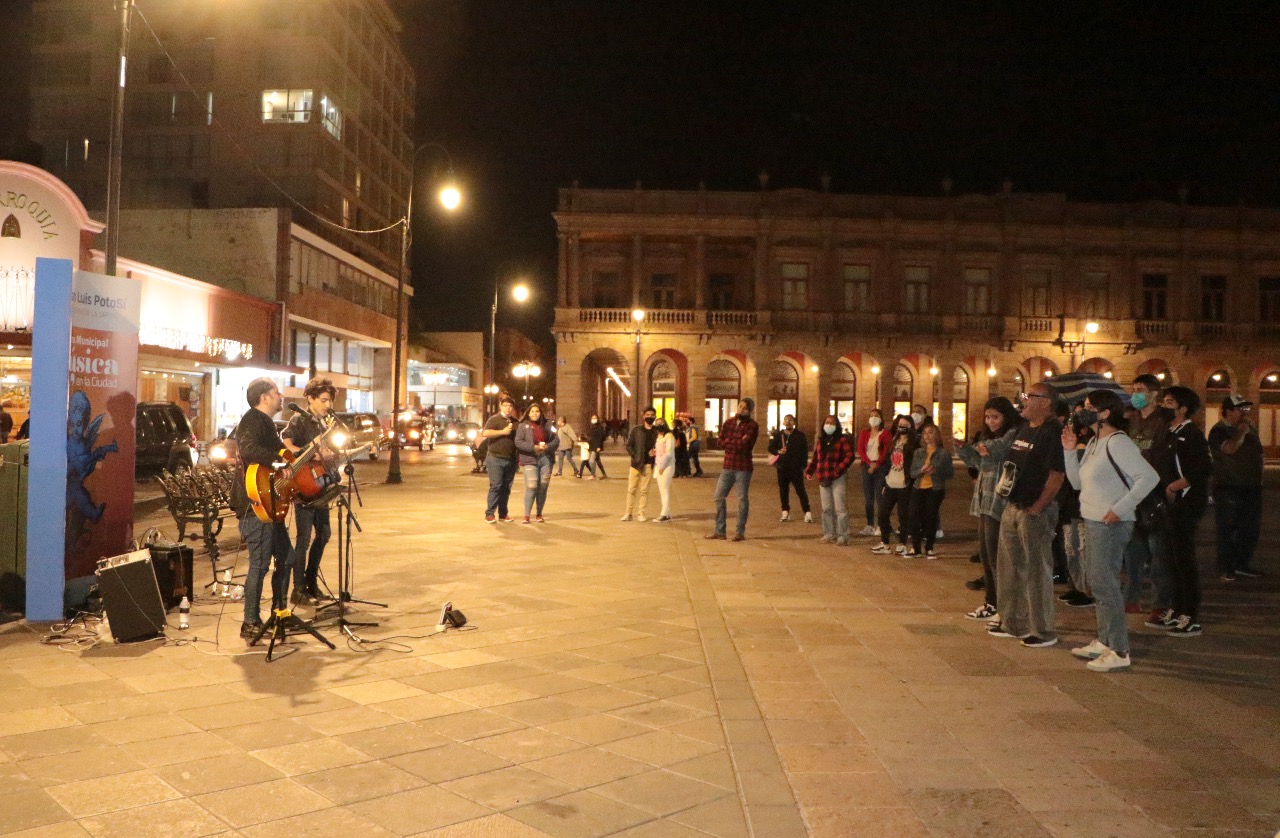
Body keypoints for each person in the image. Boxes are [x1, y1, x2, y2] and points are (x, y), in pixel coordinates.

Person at [1062, 389, 1160, 672]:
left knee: (1105, 585)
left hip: (1111, 524)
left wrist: (1120, 507)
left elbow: (1149, 477)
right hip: (1093, 520)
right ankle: (1105, 640)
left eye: (1091, 406)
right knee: (1098, 583)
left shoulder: (1118, 442)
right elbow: (1078, 482)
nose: (1083, 410)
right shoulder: (1095, 441)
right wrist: (1070, 451)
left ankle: (1119, 649)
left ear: (1105, 413)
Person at [987, 381, 1065, 648]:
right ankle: (1013, 622)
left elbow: (1056, 475)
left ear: (1045, 401)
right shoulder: (1023, 428)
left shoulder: (1052, 432)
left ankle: (1043, 629)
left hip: (1034, 509)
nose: (1023, 400)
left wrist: (1038, 507)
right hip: (1013, 505)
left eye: (1029, 396)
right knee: (1009, 567)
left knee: (1036, 570)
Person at [230, 378, 293, 639]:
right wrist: (278, 460)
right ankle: (250, 621)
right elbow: (249, 448)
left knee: (287, 558)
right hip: (254, 506)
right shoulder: (253, 419)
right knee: (259, 563)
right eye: (277, 393)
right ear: (265, 397)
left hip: (270, 503)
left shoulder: (266, 423)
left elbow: (282, 455)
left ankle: (279, 613)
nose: (281, 397)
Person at [1148, 386, 1212, 636]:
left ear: (1183, 409)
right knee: (1170, 559)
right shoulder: (1169, 432)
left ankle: (1190, 613)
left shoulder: (1191, 434)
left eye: (1170, 402)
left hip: (1185, 504)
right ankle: (1175, 608)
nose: (1164, 406)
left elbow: (1202, 468)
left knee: (1184, 560)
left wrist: (1176, 485)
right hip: (1168, 505)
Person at [956, 396, 1021, 620]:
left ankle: (1003, 605)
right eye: (987, 417)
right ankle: (991, 602)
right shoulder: (988, 437)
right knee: (985, 553)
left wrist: (977, 447)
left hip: (999, 501)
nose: (991, 421)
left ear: (1006, 416)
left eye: (996, 417)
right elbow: (979, 461)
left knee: (996, 555)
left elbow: (996, 449)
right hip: (985, 499)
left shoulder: (1012, 433)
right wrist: (966, 450)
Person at [282, 377, 336, 606]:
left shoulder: (324, 423)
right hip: (304, 486)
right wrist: (306, 455)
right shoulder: (299, 419)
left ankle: (311, 581)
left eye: (330, 401)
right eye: (323, 400)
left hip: (321, 485)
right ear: (311, 398)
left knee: (324, 534)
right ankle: (298, 589)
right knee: (303, 539)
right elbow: (286, 442)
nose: (327, 405)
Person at [1124, 373, 1173, 618]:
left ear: (1154, 394)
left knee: (1157, 552)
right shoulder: (1131, 419)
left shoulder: (1164, 420)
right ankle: (1131, 598)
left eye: (1140, 389)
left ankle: (1159, 603)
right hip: (1133, 492)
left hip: (1155, 492)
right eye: (1133, 388)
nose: (1135, 394)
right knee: (1133, 551)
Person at [1208, 394, 1264, 580]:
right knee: (1228, 530)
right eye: (1240, 409)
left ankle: (1241, 564)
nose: (1244, 413)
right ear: (1228, 411)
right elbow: (1229, 449)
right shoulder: (1219, 431)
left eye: (1245, 409)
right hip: (1229, 487)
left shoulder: (1248, 429)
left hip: (1251, 486)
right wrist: (1241, 432)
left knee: (1249, 530)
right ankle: (1226, 567)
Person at [707, 398, 759, 541]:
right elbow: (720, 441)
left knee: (742, 498)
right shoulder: (728, 422)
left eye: (745, 407)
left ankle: (739, 532)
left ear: (750, 410)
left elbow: (744, 445)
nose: (742, 409)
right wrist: (734, 441)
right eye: (740, 406)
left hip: (743, 467)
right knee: (718, 496)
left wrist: (729, 442)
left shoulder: (752, 425)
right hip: (728, 466)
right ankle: (720, 531)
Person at [806, 414, 855, 544]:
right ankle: (828, 533)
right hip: (823, 476)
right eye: (827, 422)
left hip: (838, 477)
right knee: (826, 508)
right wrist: (810, 471)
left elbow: (849, 456)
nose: (829, 425)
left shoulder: (842, 439)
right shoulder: (820, 440)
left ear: (837, 425)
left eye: (832, 423)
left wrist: (839, 468)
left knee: (840, 507)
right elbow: (816, 458)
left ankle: (842, 535)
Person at [871, 416, 918, 554]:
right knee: (882, 512)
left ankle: (902, 543)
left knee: (903, 515)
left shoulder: (914, 443)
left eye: (906, 424)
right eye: (900, 424)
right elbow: (887, 459)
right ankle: (884, 542)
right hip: (891, 482)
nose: (902, 426)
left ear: (911, 426)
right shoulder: (894, 441)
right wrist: (885, 476)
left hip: (905, 484)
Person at [907, 424, 954, 557]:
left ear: (937, 435)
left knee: (930, 517)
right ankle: (916, 548)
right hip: (918, 487)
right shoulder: (918, 452)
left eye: (930, 432)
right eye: (925, 433)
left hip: (935, 488)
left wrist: (935, 471)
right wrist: (921, 471)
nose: (927, 436)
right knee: (913, 516)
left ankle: (929, 547)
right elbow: (912, 473)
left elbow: (950, 474)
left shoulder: (943, 453)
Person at [515, 403, 559, 523]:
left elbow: (556, 439)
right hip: (529, 459)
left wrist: (548, 446)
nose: (535, 413)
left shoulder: (549, 424)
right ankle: (526, 515)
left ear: (541, 413)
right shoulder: (522, 426)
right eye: (532, 411)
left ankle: (539, 514)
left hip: (546, 459)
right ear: (528, 413)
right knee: (532, 486)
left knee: (543, 485)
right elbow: (518, 442)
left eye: (537, 411)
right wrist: (533, 448)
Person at [481, 397, 519, 523]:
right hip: (495, 458)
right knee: (496, 485)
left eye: (510, 406)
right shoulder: (494, 419)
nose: (508, 408)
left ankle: (503, 514)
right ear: (501, 406)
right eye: (506, 405)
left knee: (506, 488)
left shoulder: (515, 422)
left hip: (511, 459)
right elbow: (485, 433)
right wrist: (502, 432)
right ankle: (489, 514)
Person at [769, 414, 812, 523]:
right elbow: (771, 447)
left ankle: (807, 512)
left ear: (794, 422)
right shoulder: (779, 435)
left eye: (790, 420)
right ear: (783, 422)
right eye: (786, 420)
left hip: (796, 468)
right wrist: (779, 451)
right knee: (783, 490)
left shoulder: (800, 435)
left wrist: (803, 466)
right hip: (782, 467)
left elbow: (804, 451)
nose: (788, 422)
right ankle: (785, 511)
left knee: (800, 490)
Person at [855, 409, 891, 536]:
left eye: (876, 416)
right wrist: (869, 463)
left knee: (879, 496)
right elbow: (861, 450)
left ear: (881, 419)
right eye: (871, 416)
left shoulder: (885, 434)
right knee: (868, 498)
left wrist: (876, 464)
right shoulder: (865, 433)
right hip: (867, 467)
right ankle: (869, 524)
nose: (873, 418)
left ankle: (882, 525)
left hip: (880, 467)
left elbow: (886, 451)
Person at [622, 406, 658, 521]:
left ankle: (641, 513)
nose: (650, 417)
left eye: (652, 415)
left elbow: (661, 447)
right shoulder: (636, 430)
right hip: (636, 464)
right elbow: (629, 445)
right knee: (631, 489)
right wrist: (635, 455)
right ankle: (628, 513)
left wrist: (656, 452)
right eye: (647, 415)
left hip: (648, 464)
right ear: (643, 416)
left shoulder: (656, 432)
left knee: (644, 490)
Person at [653, 417, 676, 521]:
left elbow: (669, 454)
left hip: (667, 466)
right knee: (662, 490)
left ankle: (665, 513)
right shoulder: (659, 436)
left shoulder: (669, 436)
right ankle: (665, 511)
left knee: (664, 489)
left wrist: (662, 467)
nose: (659, 425)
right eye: (657, 423)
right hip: (658, 465)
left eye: (661, 423)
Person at [587, 414, 609, 479]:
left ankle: (593, 474)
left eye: (595, 418)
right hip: (592, 445)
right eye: (592, 418)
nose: (593, 419)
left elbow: (600, 437)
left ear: (597, 419)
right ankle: (604, 474)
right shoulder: (592, 426)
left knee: (591, 461)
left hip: (596, 446)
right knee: (597, 460)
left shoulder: (599, 427)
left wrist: (599, 446)